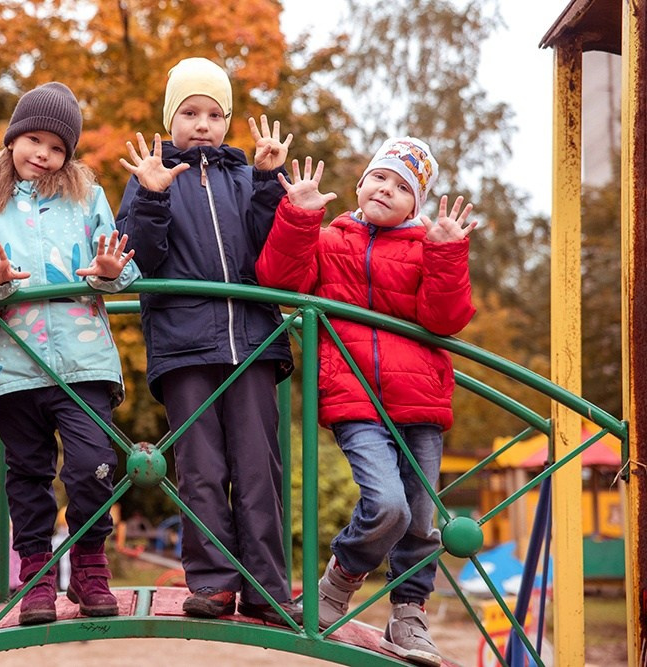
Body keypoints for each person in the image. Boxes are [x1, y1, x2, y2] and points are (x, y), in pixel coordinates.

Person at [255, 138, 477, 666]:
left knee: (420, 519)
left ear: (416, 204)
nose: (387, 190)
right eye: (380, 177)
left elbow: (445, 319)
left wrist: (447, 253)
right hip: (355, 397)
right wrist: (298, 216)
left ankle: (409, 615)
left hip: (419, 400)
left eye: (403, 187)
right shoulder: (331, 240)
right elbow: (279, 279)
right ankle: (338, 584)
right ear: (360, 183)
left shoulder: (424, 247)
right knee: (387, 505)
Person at [115, 56, 298, 626]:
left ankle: (267, 587)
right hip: (185, 342)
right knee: (200, 468)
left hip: (253, 341)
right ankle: (215, 582)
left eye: (214, 115)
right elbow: (141, 257)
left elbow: (270, 254)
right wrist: (151, 197)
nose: (202, 124)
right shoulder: (151, 177)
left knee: (259, 467)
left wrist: (267, 183)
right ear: (170, 119)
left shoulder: (245, 177)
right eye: (190, 112)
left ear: (227, 122)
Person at [0, 82, 140, 626]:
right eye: (34, 139)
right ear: (12, 139)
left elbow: (120, 262)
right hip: (15, 364)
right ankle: (34, 576)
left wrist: (111, 272)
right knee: (28, 474)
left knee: (93, 465)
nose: (44, 154)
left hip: (84, 361)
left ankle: (89, 564)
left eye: (57, 147)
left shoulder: (86, 196)